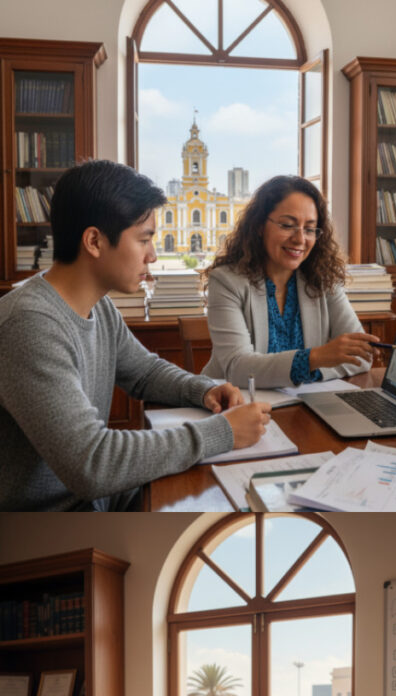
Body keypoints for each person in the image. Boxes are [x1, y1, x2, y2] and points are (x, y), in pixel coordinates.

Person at [0, 160, 270, 512]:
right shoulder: (30, 324)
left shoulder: (98, 306)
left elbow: (144, 372)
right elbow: (92, 464)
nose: (153, 255)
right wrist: (222, 433)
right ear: (94, 241)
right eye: (144, 239)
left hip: (94, 501)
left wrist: (204, 390)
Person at [203, 175, 376, 389]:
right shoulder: (226, 281)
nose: (300, 239)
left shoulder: (323, 278)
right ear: (259, 225)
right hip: (235, 405)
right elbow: (238, 369)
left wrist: (311, 368)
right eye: (287, 225)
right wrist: (314, 358)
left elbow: (361, 357)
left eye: (310, 229)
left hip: (301, 408)